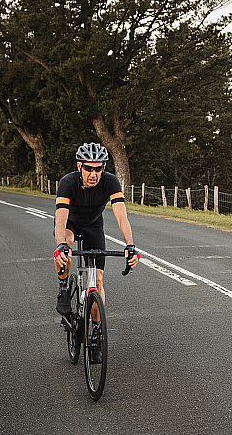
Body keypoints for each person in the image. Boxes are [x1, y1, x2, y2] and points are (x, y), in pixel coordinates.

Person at [53, 142, 139, 359]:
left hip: (93, 227)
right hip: (70, 225)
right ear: (79, 166)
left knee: (98, 281)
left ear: (103, 168)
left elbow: (121, 216)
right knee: (65, 248)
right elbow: (60, 222)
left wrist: (130, 245)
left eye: (98, 168)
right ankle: (64, 287)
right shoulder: (67, 182)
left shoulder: (110, 182)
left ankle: (96, 332)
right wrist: (61, 245)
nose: (93, 173)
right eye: (88, 168)